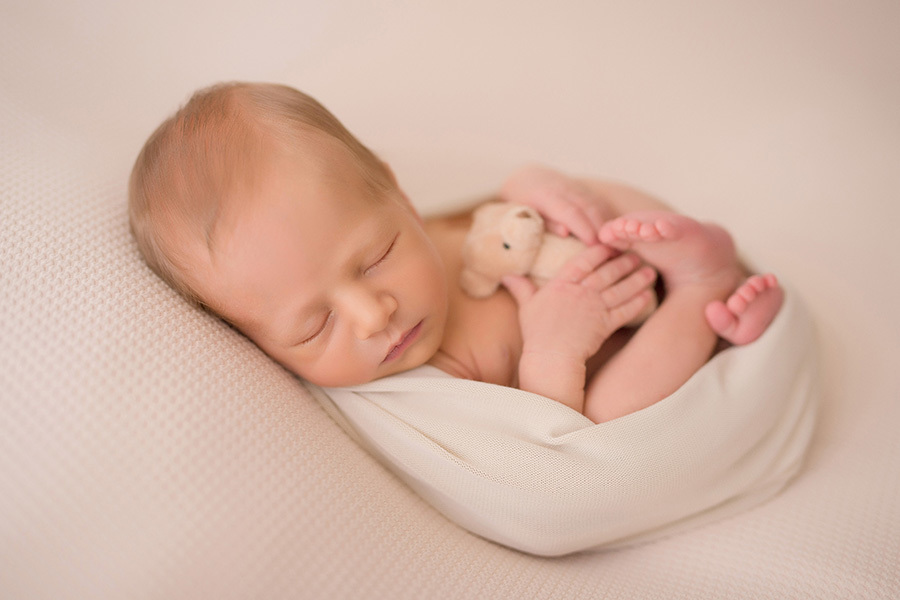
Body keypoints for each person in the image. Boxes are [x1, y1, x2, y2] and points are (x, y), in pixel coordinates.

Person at [129, 82, 783, 424]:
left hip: (619, 273)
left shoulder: (434, 234)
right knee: (611, 411)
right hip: (634, 355)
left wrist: (532, 187)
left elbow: (488, 220)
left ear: (400, 198)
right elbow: (542, 451)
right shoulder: (424, 385)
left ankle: (691, 267)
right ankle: (703, 291)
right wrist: (555, 352)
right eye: (313, 325)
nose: (374, 313)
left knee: (585, 203)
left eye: (376, 255)